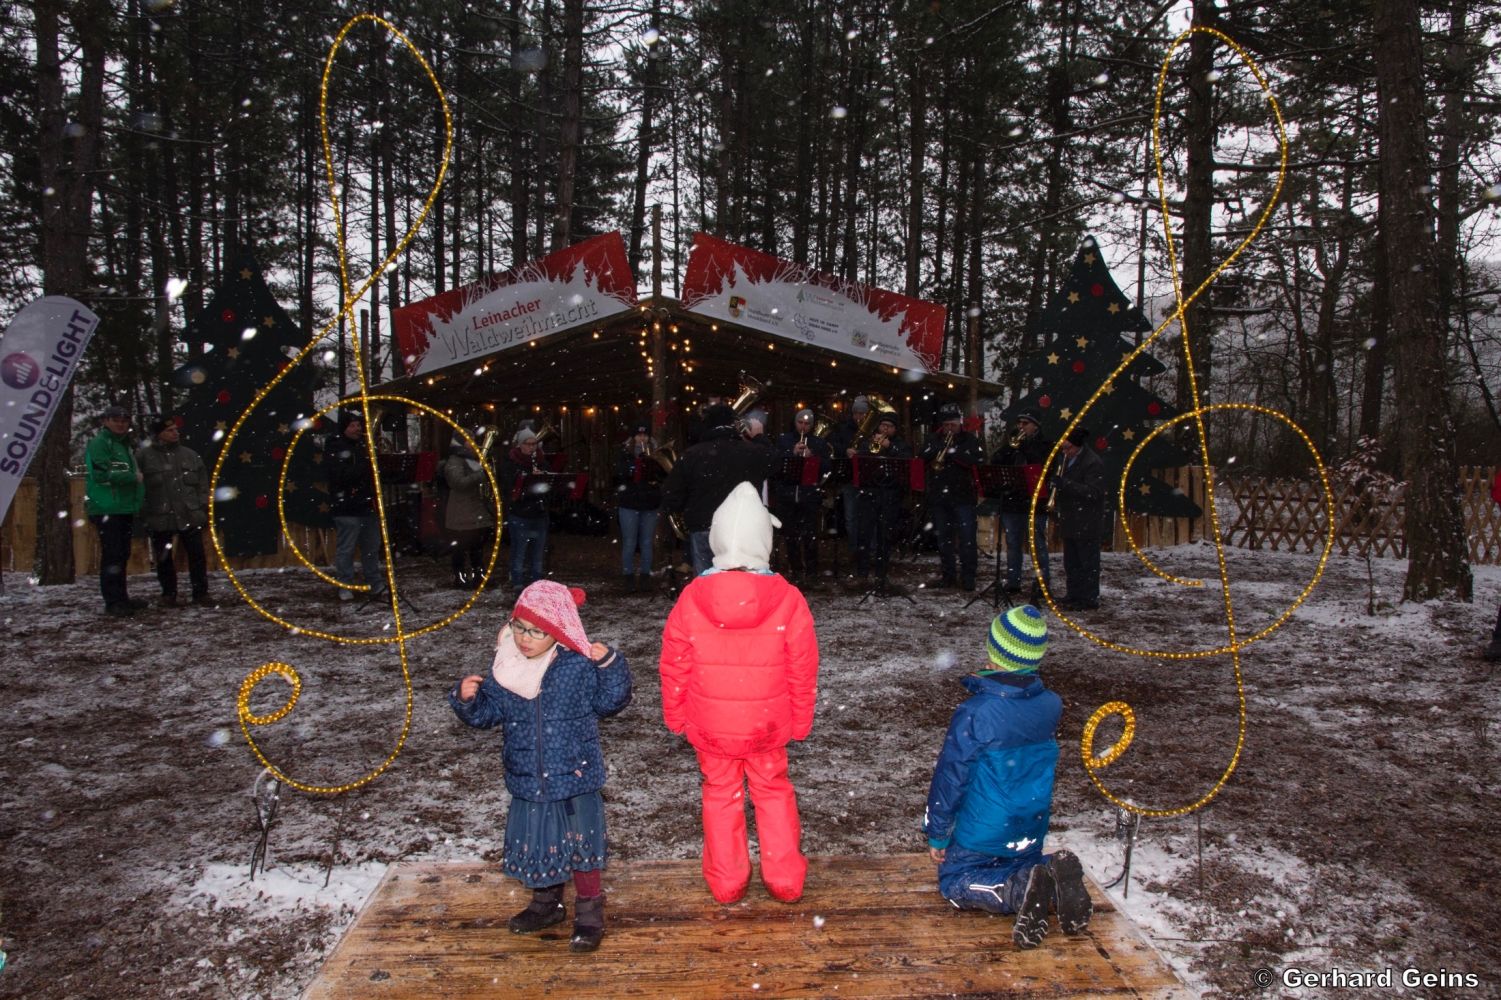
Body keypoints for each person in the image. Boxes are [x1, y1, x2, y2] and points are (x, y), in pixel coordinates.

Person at [449, 581, 632, 953]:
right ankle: (547, 904)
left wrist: (611, 668)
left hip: (574, 775)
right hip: (529, 776)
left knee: (581, 847)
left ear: (559, 631)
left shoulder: (577, 665)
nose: (524, 638)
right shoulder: (507, 666)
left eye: (537, 632)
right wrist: (467, 701)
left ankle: (589, 912)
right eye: (519, 628)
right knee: (540, 842)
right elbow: (489, 713)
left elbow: (610, 702)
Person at [659, 482, 819, 904]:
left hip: (712, 726)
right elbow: (802, 667)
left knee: (720, 794)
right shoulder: (788, 599)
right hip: (767, 726)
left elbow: (674, 663)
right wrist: (800, 720)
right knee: (772, 791)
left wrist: (675, 715)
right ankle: (784, 877)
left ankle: (727, 880)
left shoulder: (691, 598)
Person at [922, 605, 1093, 949]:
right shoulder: (1050, 705)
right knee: (1023, 864)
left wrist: (938, 832)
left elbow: (951, 777)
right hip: (1029, 826)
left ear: (994, 651)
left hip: (982, 831)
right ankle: (1049, 876)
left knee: (954, 882)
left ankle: (1015, 890)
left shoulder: (976, 713)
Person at [660, 402, 776, 574]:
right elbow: (775, 463)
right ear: (733, 424)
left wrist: (687, 511)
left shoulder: (692, 454)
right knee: (740, 583)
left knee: (707, 582)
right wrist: (759, 436)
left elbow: (671, 493)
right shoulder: (752, 451)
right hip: (742, 527)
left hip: (704, 526)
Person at [137, 415, 211, 607]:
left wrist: (201, 505)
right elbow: (138, 487)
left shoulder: (190, 455)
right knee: (164, 559)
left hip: (189, 514)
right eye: (169, 430)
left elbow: (203, 484)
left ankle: (201, 593)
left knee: (197, 556)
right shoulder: (143, 457)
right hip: (160, 516)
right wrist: (144, 511)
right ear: (158, 434)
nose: (175, 433)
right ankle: (168, 594)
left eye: (176, 429)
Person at [85, 404, 146, 617]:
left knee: (121, 554)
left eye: (124, 421)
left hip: (123, 506)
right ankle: (113, 601)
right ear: (106, 421)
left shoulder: (124, 444)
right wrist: (132, 478)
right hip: (107, 507)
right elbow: (101, 474)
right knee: (112, 555)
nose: (120, 424)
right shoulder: (100, 443)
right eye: (116, 420)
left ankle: (122, 598)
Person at [919, 403, 984, 591]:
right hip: (940, 497)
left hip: (963, 497)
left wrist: (954, 452)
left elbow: (978, 461)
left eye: (953, 425)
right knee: (944, 540)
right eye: (946, 425)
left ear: (959, 423)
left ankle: (968, 577)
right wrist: (938, 449)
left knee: (967, 539)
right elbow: (922, 458)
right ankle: (948, 576)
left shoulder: (970, 439)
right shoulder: (933, 439)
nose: (949, 429)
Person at [990, 408, 1053, 595]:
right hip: (1013, 501)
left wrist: (1024, 447)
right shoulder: (1013, 445)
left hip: (1035, 503)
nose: (1021, 427)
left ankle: (1042, 584)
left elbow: (1041, 465)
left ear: (1036, 426)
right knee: (1012, 544)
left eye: (1025, 423)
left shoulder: (1045, 445)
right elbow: (996, 461)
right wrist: (1009, 448)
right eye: (1019, 423)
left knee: (1037, 546)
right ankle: (1013, 582)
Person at [847, 411, 912, 591]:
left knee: (885, 535)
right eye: (883, 425)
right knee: (864, 534)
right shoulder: (868, 442)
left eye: (889, 427)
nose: (885, 429)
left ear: (895, 430)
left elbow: (907, 462)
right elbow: (860, 460)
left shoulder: (901, 445)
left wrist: (890, 447)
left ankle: (881, 575)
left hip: (890, 496)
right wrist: (856, 453)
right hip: (869, 494)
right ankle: (862, 574)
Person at [326, 412, 386, 602]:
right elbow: (341, 476)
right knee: (347, 548)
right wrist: (365, 462)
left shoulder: (362, 446)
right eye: (352, 425)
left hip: (366, 504)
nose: (357, 429)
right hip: (346, 506)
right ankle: (345, 585)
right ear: (344, 428)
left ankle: (375, 582)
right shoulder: (336, 447)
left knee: (371, 546)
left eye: (359, 425)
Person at [772, 409, 832, 588]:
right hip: (787, 495)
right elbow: (775, 463)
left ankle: (812, 572)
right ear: (795, 422)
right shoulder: (784, 440)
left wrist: (812, 457)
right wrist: (791, 453)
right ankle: (796, 570)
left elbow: (827, 467)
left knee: (810, 535)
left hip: (809, 495)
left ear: (812, 426)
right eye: (800, 422)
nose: (803, 426)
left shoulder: (819, 443)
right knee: (790, 535)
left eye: (807, 424)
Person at [1052, 427, 1107, 610]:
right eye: (1063, 448)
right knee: (1071, 562)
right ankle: (1073, 594)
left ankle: (1089, 598)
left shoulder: (1093, 463)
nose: (1064, 451)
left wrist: (1066, 484)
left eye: (1068, 448)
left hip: (1086, 520)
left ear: (1077, 446)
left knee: (1087, 563)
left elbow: (1094, 492)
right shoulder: (1067, 460)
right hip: (1071, 518)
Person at [499, 427, 551, 589]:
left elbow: (550, 489)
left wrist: (543, 478)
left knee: (537, 554)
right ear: (520, 445)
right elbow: (508, 487)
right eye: (528, 444)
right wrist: (525, 478)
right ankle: (518, 584)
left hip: (539, 513)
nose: (531, 447)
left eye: (534, 444)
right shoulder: (511, 462)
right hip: (520, 513)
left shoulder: (542, 461)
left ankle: (536, 585)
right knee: (519, 552)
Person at [441, 433, 496, 588]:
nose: (473, 443)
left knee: (477, 548)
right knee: (460, 549)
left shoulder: (471, 459)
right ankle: (460, 578)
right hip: (461, 513)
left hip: (475, 511)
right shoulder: (454, 461)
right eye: (469, 440)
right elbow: (458, 483)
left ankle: (479, 575)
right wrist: (481, 475)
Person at [614, 424, 663, 591]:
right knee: (629, 541)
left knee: (647, 542)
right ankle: (628, 576)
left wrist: (651, 465)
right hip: (629, 502)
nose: (642, 438)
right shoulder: (624, 453)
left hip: (649, 503)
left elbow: (662, 475)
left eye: (645, 435)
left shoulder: (656, 453)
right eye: (639, 435)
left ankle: (645, 576)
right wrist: (634, 466)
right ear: (633, 437)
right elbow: (619, 474)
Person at [825, 395, 870, 557]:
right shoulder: (843, 428)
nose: (859, 417)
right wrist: (845, 450)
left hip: (867, 479)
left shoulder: (871, 429)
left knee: (868, 517)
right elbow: (832, 444)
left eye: (862, 414)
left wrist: (862, 452)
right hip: (849, 477)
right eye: (856, 413)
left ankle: (868, 550)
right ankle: (854, 550)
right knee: (851, 517)